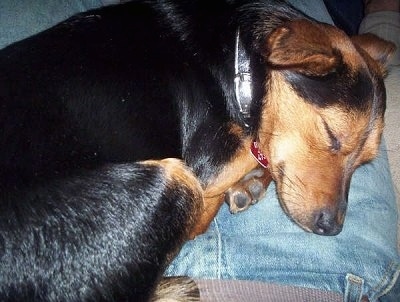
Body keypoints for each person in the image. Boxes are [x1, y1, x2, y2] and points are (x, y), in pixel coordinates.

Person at [0, 1, 398, 301]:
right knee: (179, 191)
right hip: (25, 232)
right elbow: (203, 182)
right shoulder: (240, 69)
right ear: (291, 61)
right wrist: (248, 161)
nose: (334, 208)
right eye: (330, 139)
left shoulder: (204, 42)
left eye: (356, 163)